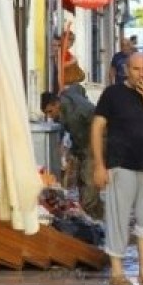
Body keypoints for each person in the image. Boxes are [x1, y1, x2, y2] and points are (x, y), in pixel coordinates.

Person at [90, 52, 143, 285]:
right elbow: (97, 128)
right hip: (120, 164)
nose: (141, 74)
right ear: (126, 70)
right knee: (117, 218)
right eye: (136, 69)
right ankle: (117, 274)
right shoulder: (112, 94)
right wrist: (99, 164)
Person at [41, 85, 100, 217]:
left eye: (50, 112)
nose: (50, 116)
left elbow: (82, 141)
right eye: (46, 113)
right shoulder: (66, 96)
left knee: (88, 181)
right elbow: (79, 88)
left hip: (95, 140)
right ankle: (95, 214)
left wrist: (70, 154)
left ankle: (94, 218)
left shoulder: (75, 112)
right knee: (80, 181)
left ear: (56, 104)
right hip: (83, 140)